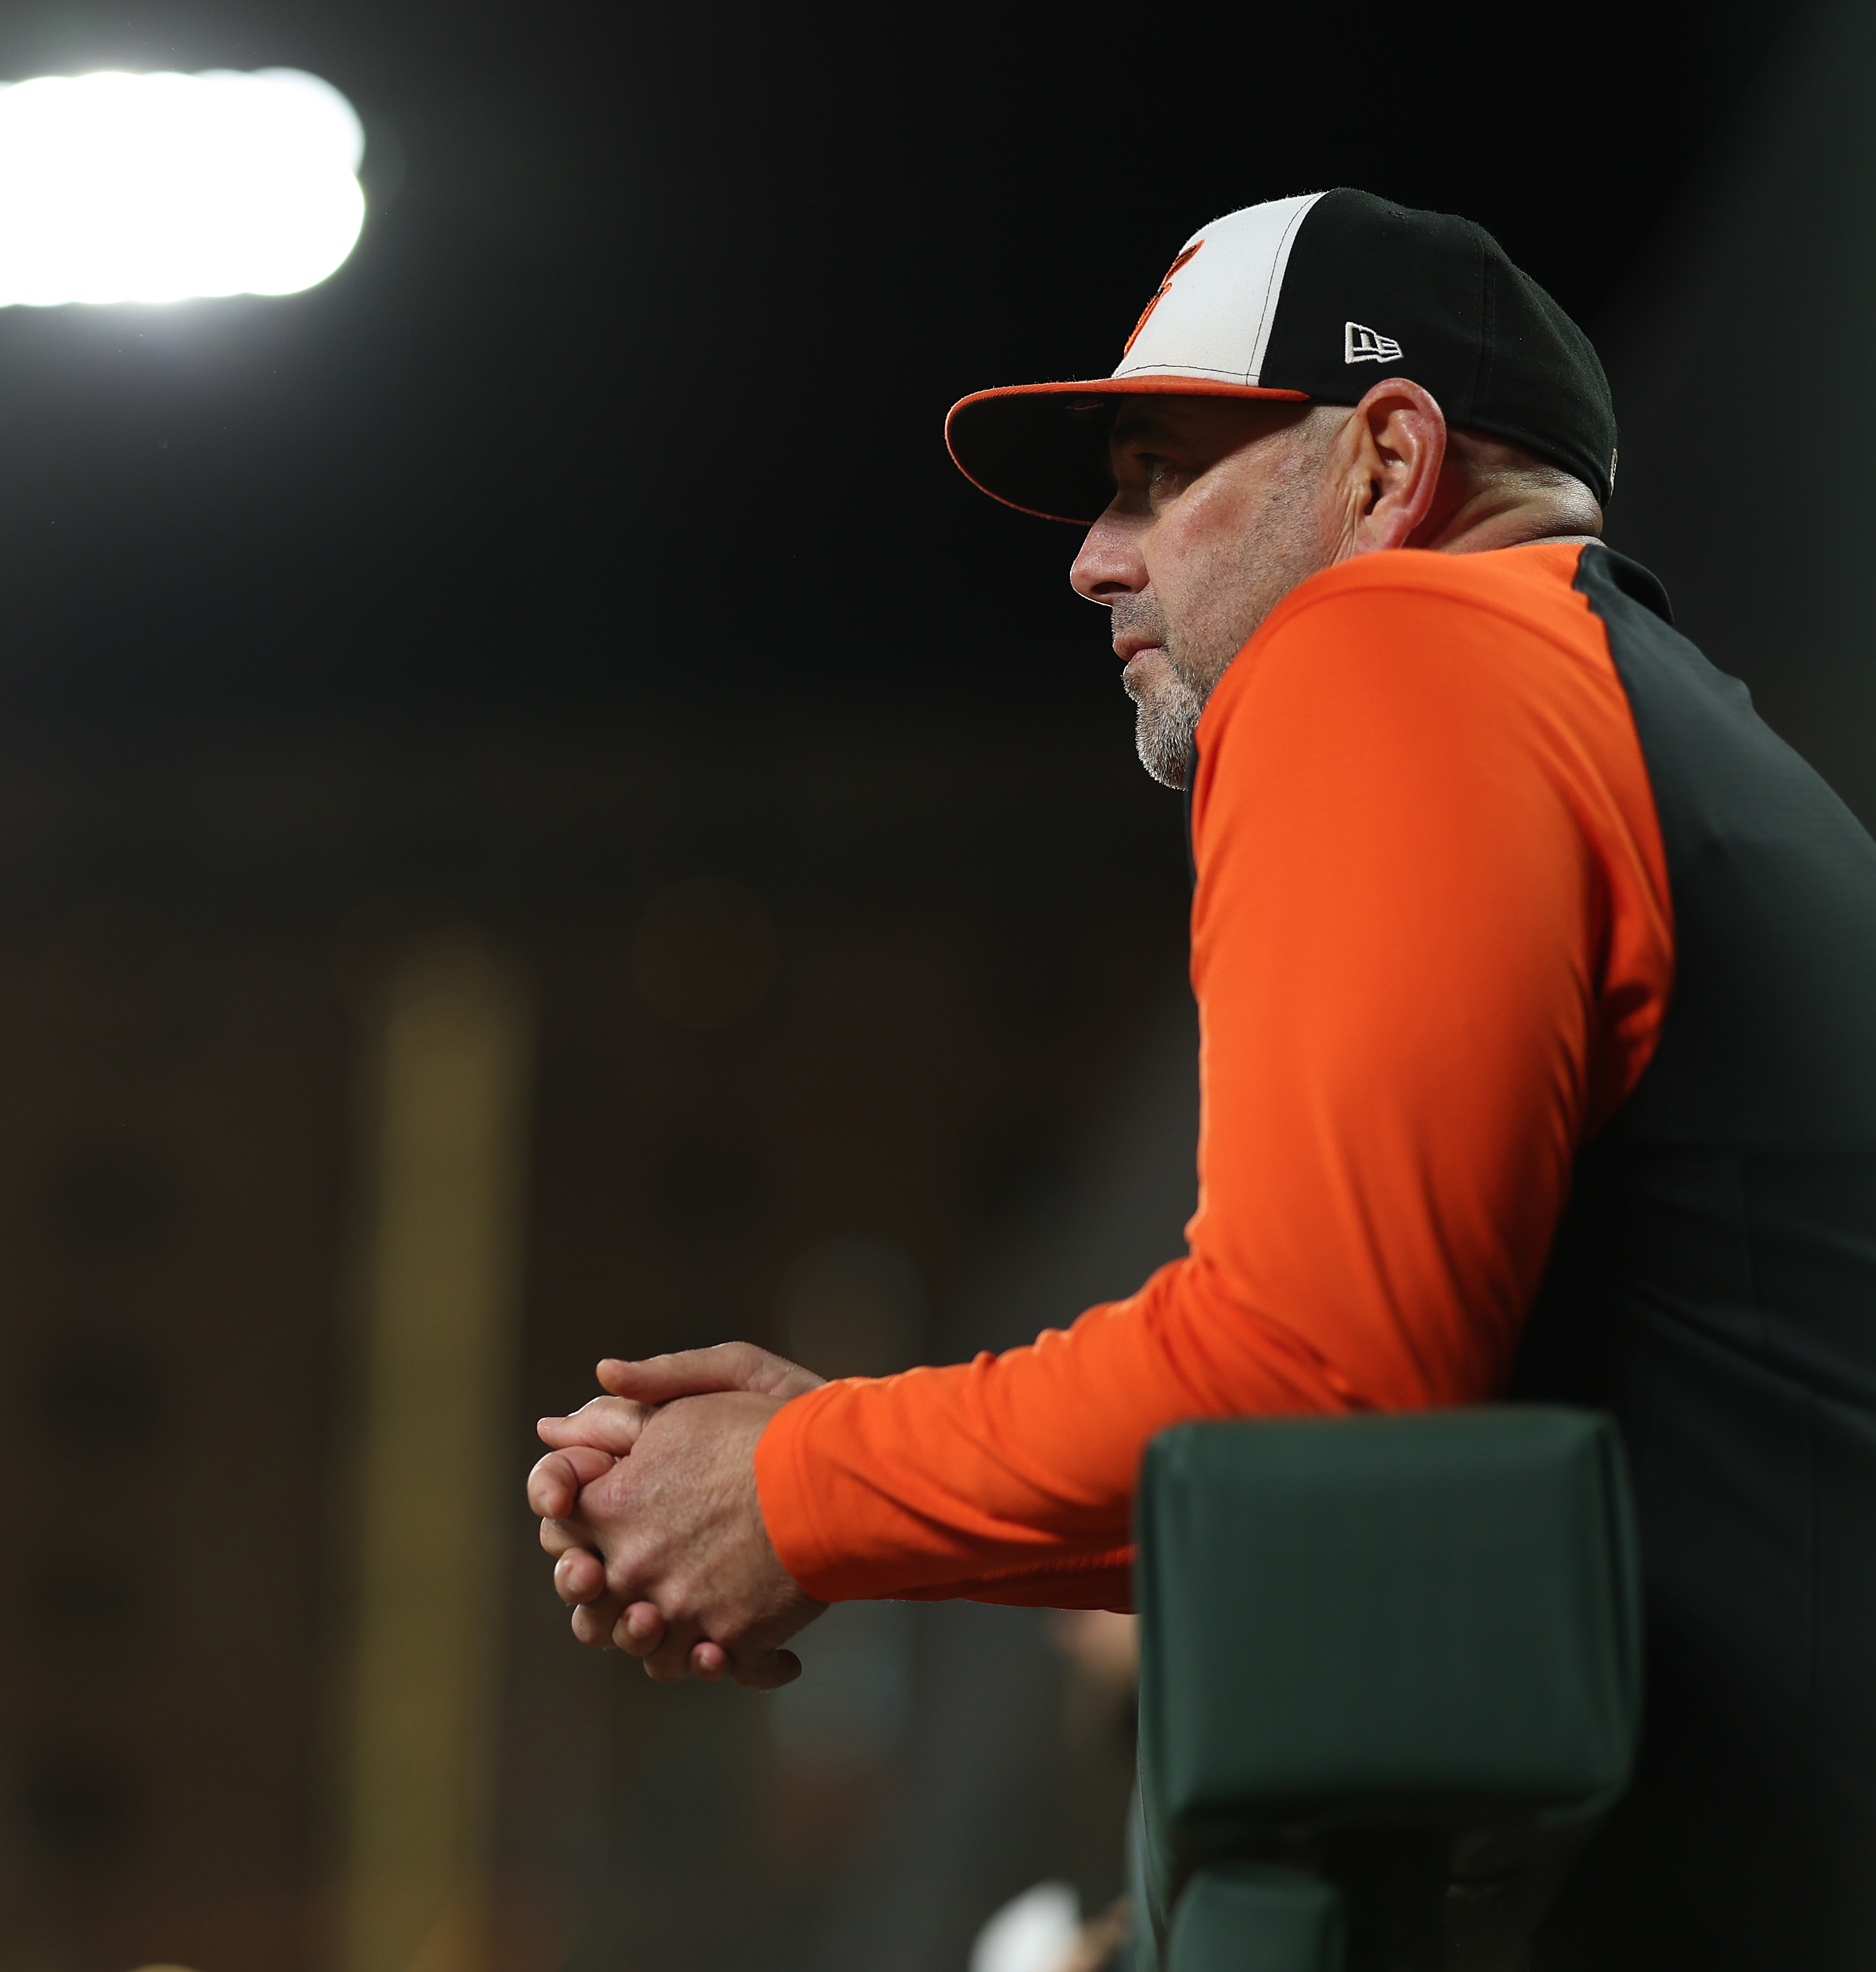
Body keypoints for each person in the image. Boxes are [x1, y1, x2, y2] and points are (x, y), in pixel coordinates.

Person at [524, 189, 1876, 1964]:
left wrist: (795, 1484)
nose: (1099, 554)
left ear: (1386, 466)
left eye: (1161, 471)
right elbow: (1407, 1464)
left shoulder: (1399, 641)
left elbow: (1320, 1390)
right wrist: (822, 1498)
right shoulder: (1658, 713)